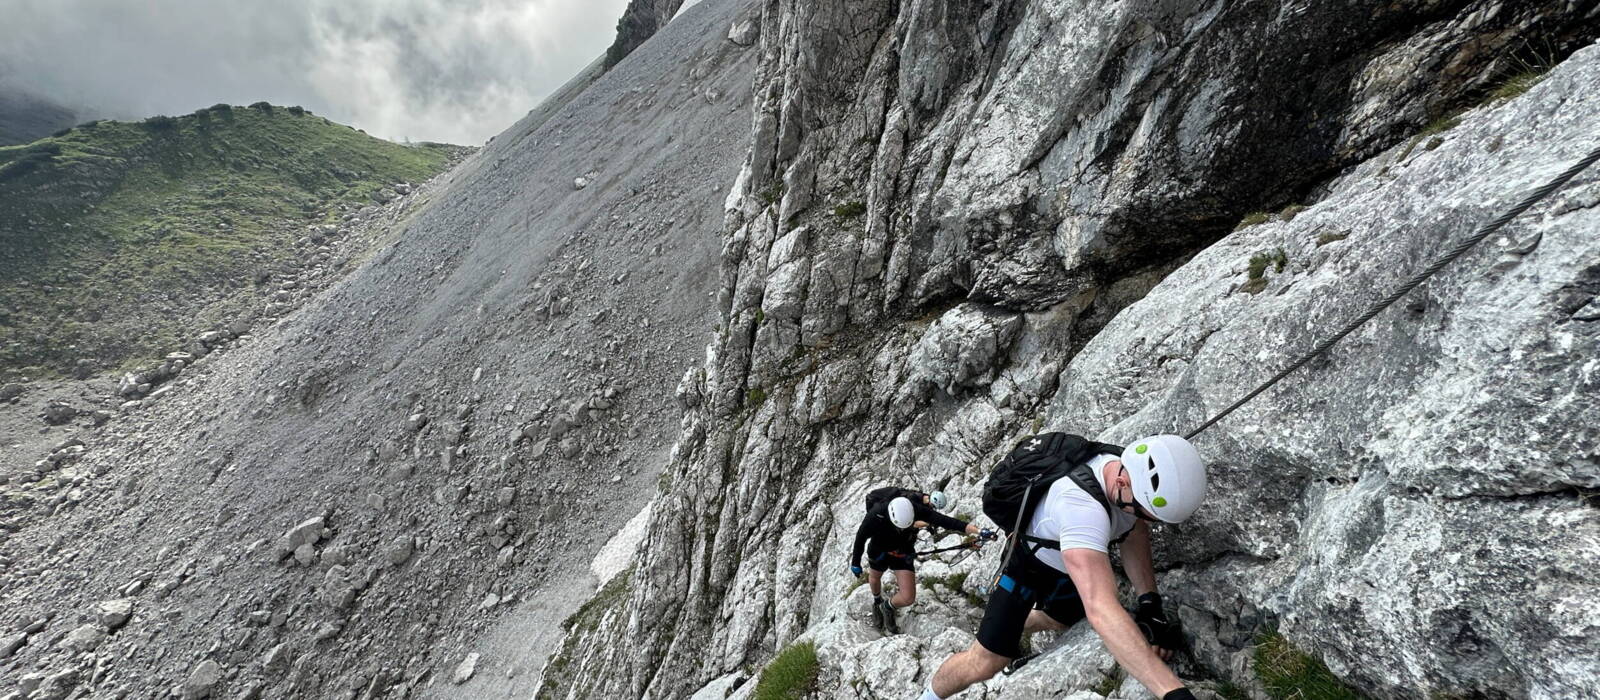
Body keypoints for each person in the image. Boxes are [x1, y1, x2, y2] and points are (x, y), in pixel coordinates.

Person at [917, 434, 1206, 700]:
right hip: (1027, 568)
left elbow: (1133, 529)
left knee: (1062, 620)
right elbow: (1101, 609)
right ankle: (927, 696)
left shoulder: (1124, 468)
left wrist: (1149, 604)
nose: (1150, 520)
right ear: (1122, 484)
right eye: (1149, 513)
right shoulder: (1080, 509)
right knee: (985, 662)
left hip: (1069, 562)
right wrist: (1173, 692)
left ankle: (1019, 624)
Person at [850, 489, 990, 633]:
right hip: (879, 550)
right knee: (875, 578)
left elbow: (947, 522)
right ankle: (877, 601)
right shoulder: (876, 515)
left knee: (908, 597)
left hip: (902, 552)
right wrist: (855, 562)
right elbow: (860, 538)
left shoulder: (914, 508)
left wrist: (978, 531)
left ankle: (887, 606)